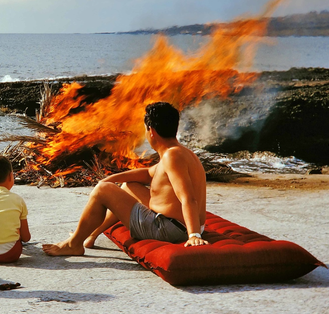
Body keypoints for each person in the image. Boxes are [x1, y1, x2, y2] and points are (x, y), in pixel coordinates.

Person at [42, 101, 209, 256]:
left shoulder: (172, 156)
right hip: (176, 224)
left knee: (103, 191)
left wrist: (193, 235)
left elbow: (187, 197)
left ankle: (74, 244)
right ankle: (91, 235)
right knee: (127, 186)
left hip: (170, 230)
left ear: (150, 131)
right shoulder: (180, 152)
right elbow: (149, 173)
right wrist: (109, 179)